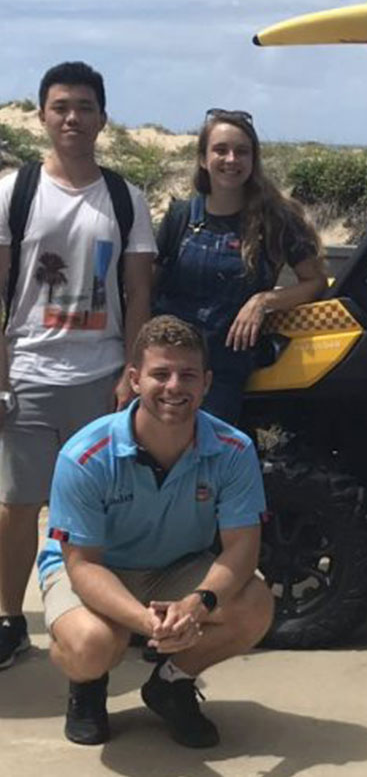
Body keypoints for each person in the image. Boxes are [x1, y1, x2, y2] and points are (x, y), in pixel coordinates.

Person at [37, 315, 273, 747]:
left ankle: (171, 682)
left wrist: (197, 604)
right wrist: (148, 622)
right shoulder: (86, 455)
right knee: (94, 644)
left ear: (206, 382)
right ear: (134, 378)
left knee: (255, 604)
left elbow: (242, 549)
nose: (174, 387)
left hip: (175, 568)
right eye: (160, 373)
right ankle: (87, 687)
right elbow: (83, 565)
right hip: (97, 567)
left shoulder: (234, 450)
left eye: (187, 375)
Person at [0, 61, 155, 671]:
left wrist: (132, 372)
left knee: (108, 508)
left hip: (102, 376)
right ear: (42, 115)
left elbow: (139, 293)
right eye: (61, 106)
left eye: (85, 107)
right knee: (17, 507)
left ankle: (114, 614)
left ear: (102, 118)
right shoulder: (14, 193)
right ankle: (11, 619)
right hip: (29, 374)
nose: (73, 117)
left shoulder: (124, 197)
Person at [153, 108, 326, 423]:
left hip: (223, 376)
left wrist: (263, 301)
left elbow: (314, 283)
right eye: (220, 150)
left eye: (241, 151)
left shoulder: (276, 219)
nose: (231, 159)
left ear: (253, 160)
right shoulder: (180, 217)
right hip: (165, 370)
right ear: (204, 159)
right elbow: (148, 287)